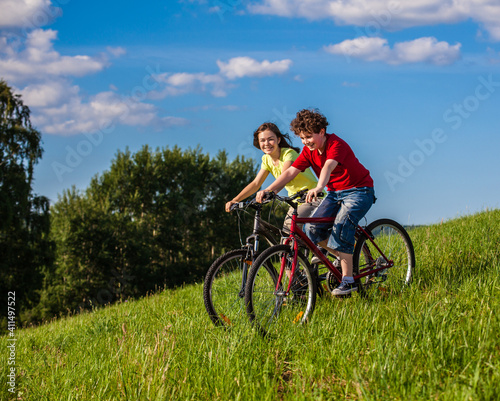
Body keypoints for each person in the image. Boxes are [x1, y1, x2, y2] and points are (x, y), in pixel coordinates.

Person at [256, 109, 375, 296]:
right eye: (302, 138)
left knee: (342, 225)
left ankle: (348, 281)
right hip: (335, 193)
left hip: (359, 190)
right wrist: (269, 190)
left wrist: (319, 188)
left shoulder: (336, 144)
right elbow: (290, 172)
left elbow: (328, 166)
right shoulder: (308, 151)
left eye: (309, 137)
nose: (305, 142)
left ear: (322, 131)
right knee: (312, 228)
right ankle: (341, 258)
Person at [225, 122, 321, 231]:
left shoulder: (289, 153)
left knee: (290, 228)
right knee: (286, 238)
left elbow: (284, 177)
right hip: (295, 202)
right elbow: (256, 183)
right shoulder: (266, 159)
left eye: (270, 139)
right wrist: (235, 200)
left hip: (312, 198)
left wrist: (268, 191)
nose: (267, 143)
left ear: (278, 140)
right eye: (262, 140)